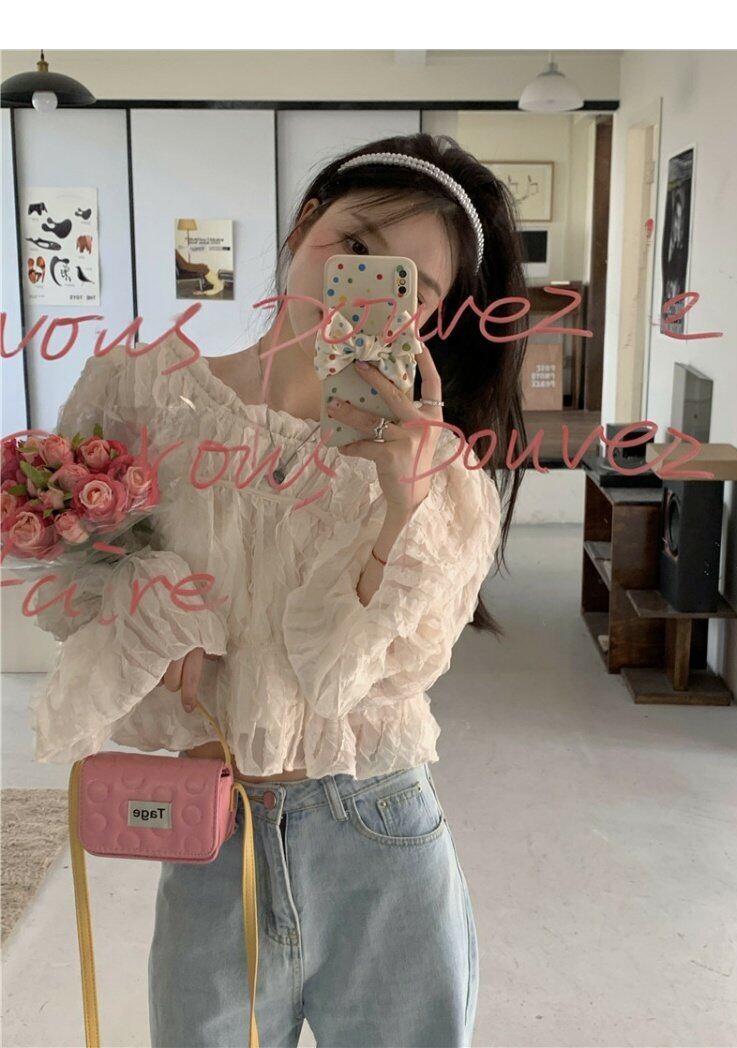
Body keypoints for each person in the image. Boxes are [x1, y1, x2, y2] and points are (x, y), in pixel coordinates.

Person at [28, 132, 529, 1047]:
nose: (366, 288)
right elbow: (64, 573)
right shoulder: (141, 396)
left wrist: (401, 507)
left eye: (411, 287)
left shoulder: (439, 475)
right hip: (210, 833)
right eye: (356, 246)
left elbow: (387, 673)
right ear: (304, 225)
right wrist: (146, 613)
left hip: (378, 831)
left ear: (432, 316)